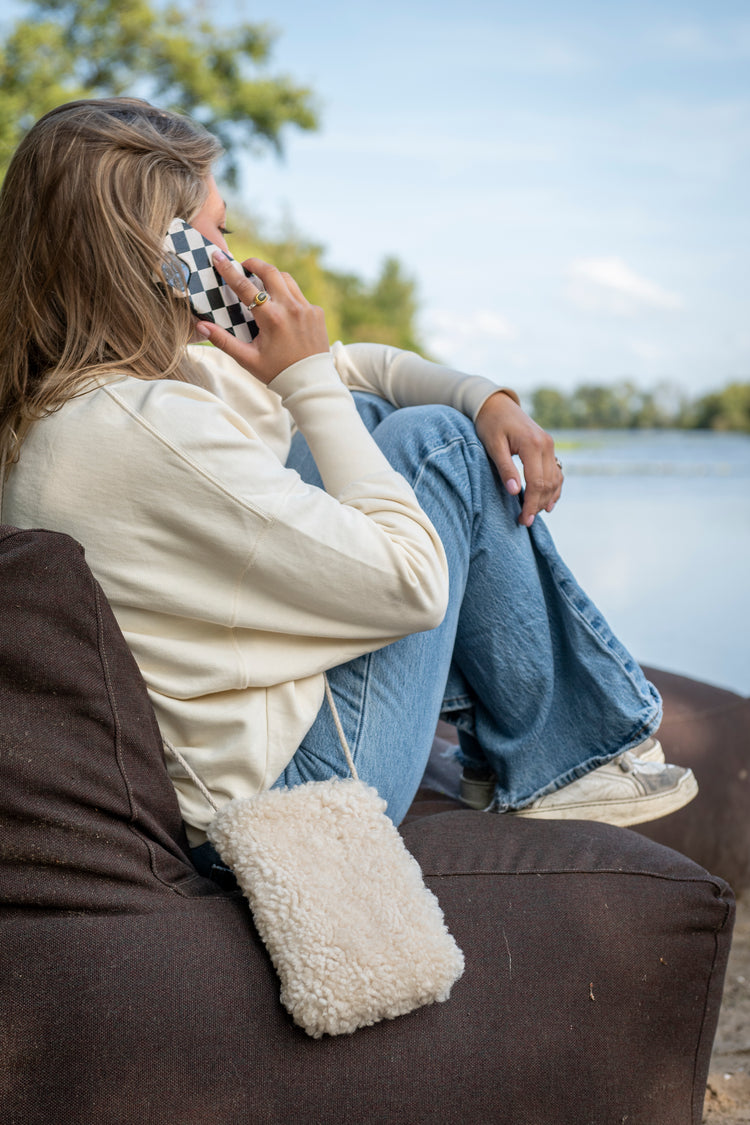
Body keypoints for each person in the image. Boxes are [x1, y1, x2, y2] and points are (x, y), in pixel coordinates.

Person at [0, 98, 696, 879]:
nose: (233, 252)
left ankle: (521, 743)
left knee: (367, 415)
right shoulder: (154, 426)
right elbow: (413, 587)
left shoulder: (88, 401)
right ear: (169, 252)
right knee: (435, 447)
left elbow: (351, 370)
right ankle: (569, 758)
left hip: (223, 765)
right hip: (285, 802)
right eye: (219, 232)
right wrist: (321, 384)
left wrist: (484, 394)